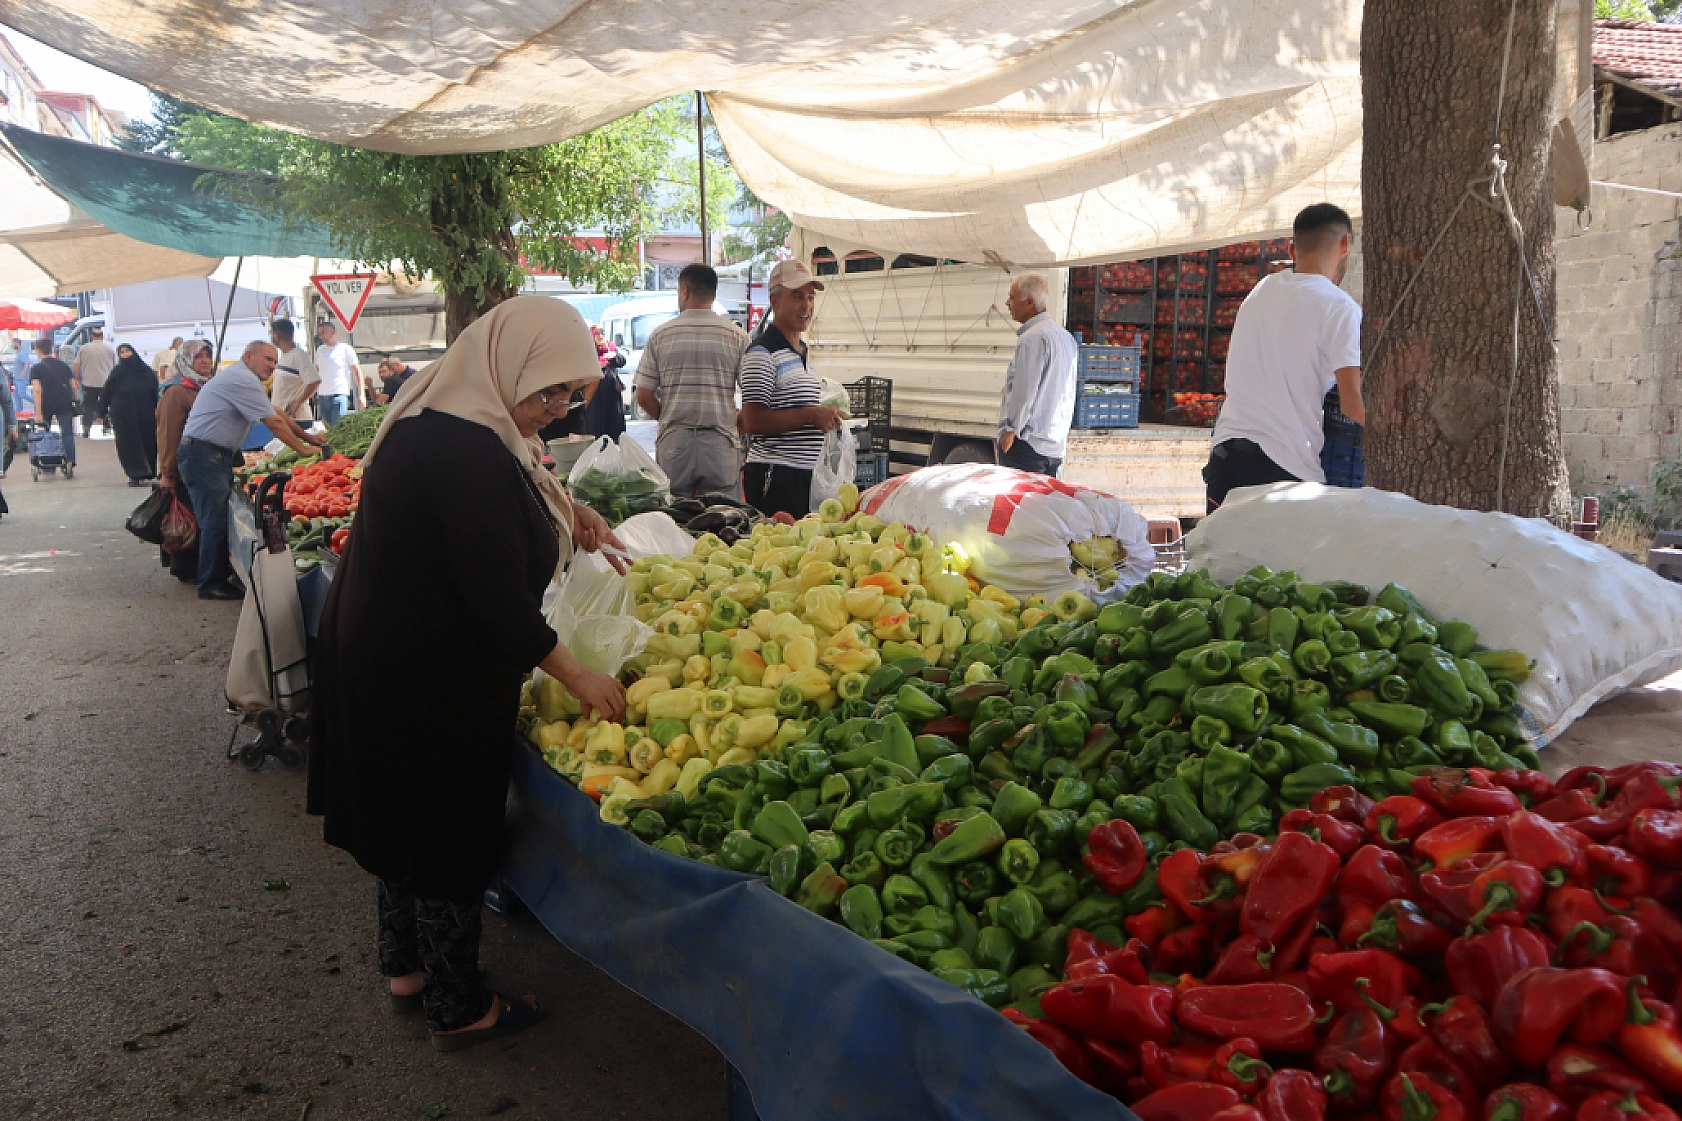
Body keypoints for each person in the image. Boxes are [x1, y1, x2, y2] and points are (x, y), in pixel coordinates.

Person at [307, 296, 628, 1052]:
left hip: (393, 651)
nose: (556, 410)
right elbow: (494, 602)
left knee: (400, 815)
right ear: (505, 365)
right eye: (548, 391)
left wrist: (568, 506)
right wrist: (576, 673)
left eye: (571, 395)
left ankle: (407, 968)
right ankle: (459, 1004)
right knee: (448, 825)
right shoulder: (466, 451)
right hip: (430, 668)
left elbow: (510, 490)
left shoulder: (453, 420)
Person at [1204, 202, 1365, 513]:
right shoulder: (1340, 308)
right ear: (1345, 244)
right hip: (1282, 470)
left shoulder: (1260, 291)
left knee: (1220, 561)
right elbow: (1352, 404)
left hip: (1225, 458)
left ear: (1292, 249)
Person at [179, 340, 325, 599]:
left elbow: (275, 411)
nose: (273, 365)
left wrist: (309, 438)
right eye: (268, 359)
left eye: (275, 361)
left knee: (214, 516)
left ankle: (213, 575)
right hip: (204, 455)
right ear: (249, 356)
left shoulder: (243, 378)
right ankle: (211, 583)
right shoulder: (242, 379)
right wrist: (303, 450)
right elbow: (273, 422)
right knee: (213, 520)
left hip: (210, 455)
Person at [738, 260, 845, 518]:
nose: (806, 306)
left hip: (805, 476)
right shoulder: (762, 353)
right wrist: (810, 415)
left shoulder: (801, 353)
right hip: (775, 476)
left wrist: (825, 417)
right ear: (774, 301)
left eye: (810, 297)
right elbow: (751, 420)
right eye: (797, 297)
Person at [635, 263, 751, 498]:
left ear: (684, 291)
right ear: (713, 293)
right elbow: (753, 396)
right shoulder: (737, 337)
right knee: (726, 521)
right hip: (720, 443)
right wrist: (733, 421)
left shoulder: (660, 335)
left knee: (676, 521)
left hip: (675, 445)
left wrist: (670, 418)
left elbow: (643, 396)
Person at [997, 273, 1078, 478]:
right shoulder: (1065, 337)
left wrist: (1011, 429)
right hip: (1054, 445)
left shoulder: (1032, 339)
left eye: (1012, 297)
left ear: (1029, 302)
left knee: (1020, 507)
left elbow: (1026, 391)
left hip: (1028, 445)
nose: (1008, 303)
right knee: (1042, 508)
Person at [156, 340, 214, 582]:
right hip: (183, 467)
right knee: (186, 518)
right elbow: (168, 434)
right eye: (198, 357)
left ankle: (194, 567)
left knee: (196, 517)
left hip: (203, 465)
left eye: (207, 356)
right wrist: (167, 472)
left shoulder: (205, 387)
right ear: (185, 360)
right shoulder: (177, 391)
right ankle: (185, 569)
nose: (204, 361)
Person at [101, 343, 160, 485]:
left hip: (145, 412)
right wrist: (101, 411)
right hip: (122, 414)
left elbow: (154, 391)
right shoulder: (116, 373)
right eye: (122, 352)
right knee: (127, 442)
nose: (126, 354)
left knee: (148, 440)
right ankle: (133, 474)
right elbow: (106, 392)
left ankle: (149, 470)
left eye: (128, 351)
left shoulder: (145, 371)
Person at [29, 339, 78, 470]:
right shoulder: (63, 365)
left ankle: (48, 463)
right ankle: (70, 461)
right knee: (67, 433)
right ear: (51, 349)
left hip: (46, 405)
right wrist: (75, 399)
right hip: (64, 403)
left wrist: (38, 412)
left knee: (45, 433)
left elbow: (37, 390)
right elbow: (73, 386)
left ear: (38, 351)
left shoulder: (36, 369)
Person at [269, 318, 320, 424]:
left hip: (297, 419)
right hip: (282, 417)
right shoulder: (284, 356)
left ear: (276, 335)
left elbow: (315, 380)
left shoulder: (298, 355)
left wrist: (298, 403)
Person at [580, 326, 626, 440]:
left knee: (614, 422)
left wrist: (613, 355)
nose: (600, 336)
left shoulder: (610, 347)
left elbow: (622, 361)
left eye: (602, 333)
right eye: (597, 334)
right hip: (595, 393)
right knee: (596, 423)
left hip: (612, 394)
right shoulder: (589, 350)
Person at [74, 325, 118, 437]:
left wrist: (77, 378)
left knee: (88, 406)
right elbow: (115, 366)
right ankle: (107, 427)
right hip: (106, 383)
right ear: (102, 337)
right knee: (107, 405)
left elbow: (77, 364)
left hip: (89, 383)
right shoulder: (110, 349)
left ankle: (86, 429)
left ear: (91, 336)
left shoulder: (84, 348)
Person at [314, 321, 360, 425]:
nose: (320, 336)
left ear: (333, 333)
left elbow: (357, 371)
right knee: (328, 429)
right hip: (322, 396)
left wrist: (361, 395)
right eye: (319, 333)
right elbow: (316, 371)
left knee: (337, 427)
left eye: (323, 333)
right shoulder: (320, 350)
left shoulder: (345, 349)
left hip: (339, 395)